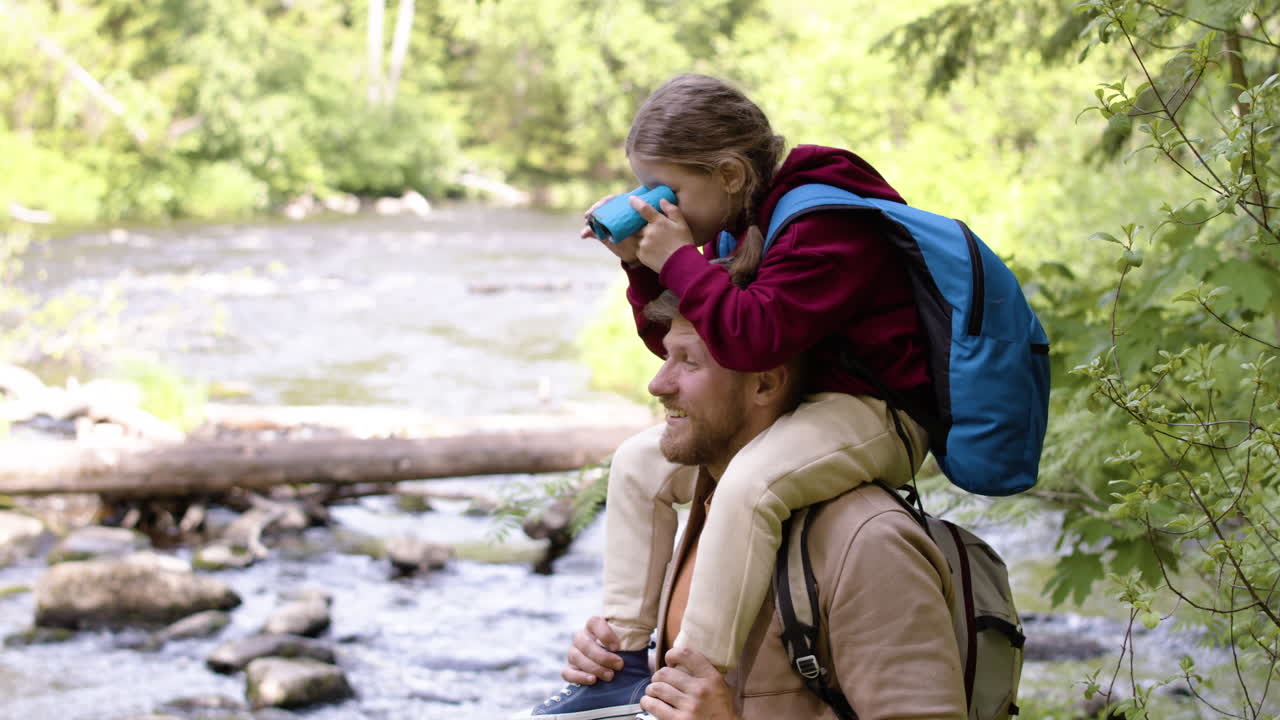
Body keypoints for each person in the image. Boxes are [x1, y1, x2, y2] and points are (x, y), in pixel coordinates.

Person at [518, 73, 935, 720]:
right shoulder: (736, 225)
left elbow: (755, 340)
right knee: (638, 463)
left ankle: (690, 676)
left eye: (671, 191)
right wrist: (640, 263)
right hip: (793, 403)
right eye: (648, 191)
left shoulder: (825, 221)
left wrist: (681, 258)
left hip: (877, 410)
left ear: (733, 174)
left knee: (750, 482)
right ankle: (625, 665)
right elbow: (685, 344)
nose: (663, 206)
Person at [564, 294, 966, 719]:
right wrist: (629, 671)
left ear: (765, 384)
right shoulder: (708, 507)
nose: (658, 384)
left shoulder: (870, 542)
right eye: (666, 357)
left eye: (690, 362)